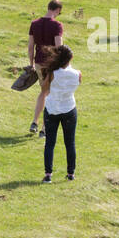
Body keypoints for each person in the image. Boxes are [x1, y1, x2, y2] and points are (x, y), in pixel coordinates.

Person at [40, 45, 80, 182]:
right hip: (69, 108)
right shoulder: (77, 74)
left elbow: (44, 89)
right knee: (70, 143)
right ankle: (70, 173)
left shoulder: (52, 73)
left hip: (52, 108)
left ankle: (48, 174)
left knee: (50, 143)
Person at [27, 0, 64, 137]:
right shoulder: (57, 25)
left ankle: (34, 122)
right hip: (51, 64)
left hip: (38, 63)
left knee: (43, 92)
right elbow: (58, 48)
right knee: (51, 94)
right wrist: (61, 65)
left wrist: (31, 64)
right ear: (58, 10)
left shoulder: (34, 23)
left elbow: (31, 47)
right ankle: (44, 127)